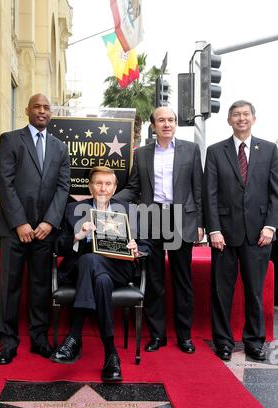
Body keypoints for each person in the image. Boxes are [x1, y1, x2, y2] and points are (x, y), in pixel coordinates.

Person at [51, 166, 150, 381]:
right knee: (96, 273)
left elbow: (146, 245)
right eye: (98, 183)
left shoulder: (129, 210)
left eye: (108, 184)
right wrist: (78, 236)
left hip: (119, 269)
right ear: (90, 186)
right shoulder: (73, 210)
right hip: (85, 271)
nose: (103, 188)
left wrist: (136, 247)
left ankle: (74, 336)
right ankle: (111, 353)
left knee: (93, 264)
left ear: (114, 188)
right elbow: (59, 245)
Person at [117, 107, 204, 353]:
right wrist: (109, 199)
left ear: (175, 123)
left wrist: (200, 223)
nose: (166, 124)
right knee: (154, 280)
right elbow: (133, 188)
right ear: (153, 126)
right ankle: (157, 335)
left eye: (170, 120)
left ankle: (185, 336)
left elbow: (198, 188)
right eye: (161, 120)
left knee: (182, 280)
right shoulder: (142, 153)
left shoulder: (191, 150)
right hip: (151, 216)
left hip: (180, 219)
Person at [0, 93, 70, 365]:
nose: (41, 110)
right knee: (9, 287)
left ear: (51, 113)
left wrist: (49, 222)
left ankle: (39, 339)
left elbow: (63, 188)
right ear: (27, 110)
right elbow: (5, 182)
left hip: (44, 232)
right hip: (15, 229)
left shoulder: (60, 148)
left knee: (40, 287)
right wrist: (20, 222)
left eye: (46, 107)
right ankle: (7, 342)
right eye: (36, 106)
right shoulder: (11, 140)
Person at [203, 100, 278, 361]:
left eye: (246, 114)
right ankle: (223, 341)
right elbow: (209, 194)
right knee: (222, 291)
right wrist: (213, 230)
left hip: (259, 235)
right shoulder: (215, 151)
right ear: (229, 120)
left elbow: (274, 193)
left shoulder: (269, 149)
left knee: (254, 291)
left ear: (254, 119)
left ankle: (254, 342)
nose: (241, 118)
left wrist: (270, 226)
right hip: (223, 234)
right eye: (236, 115)